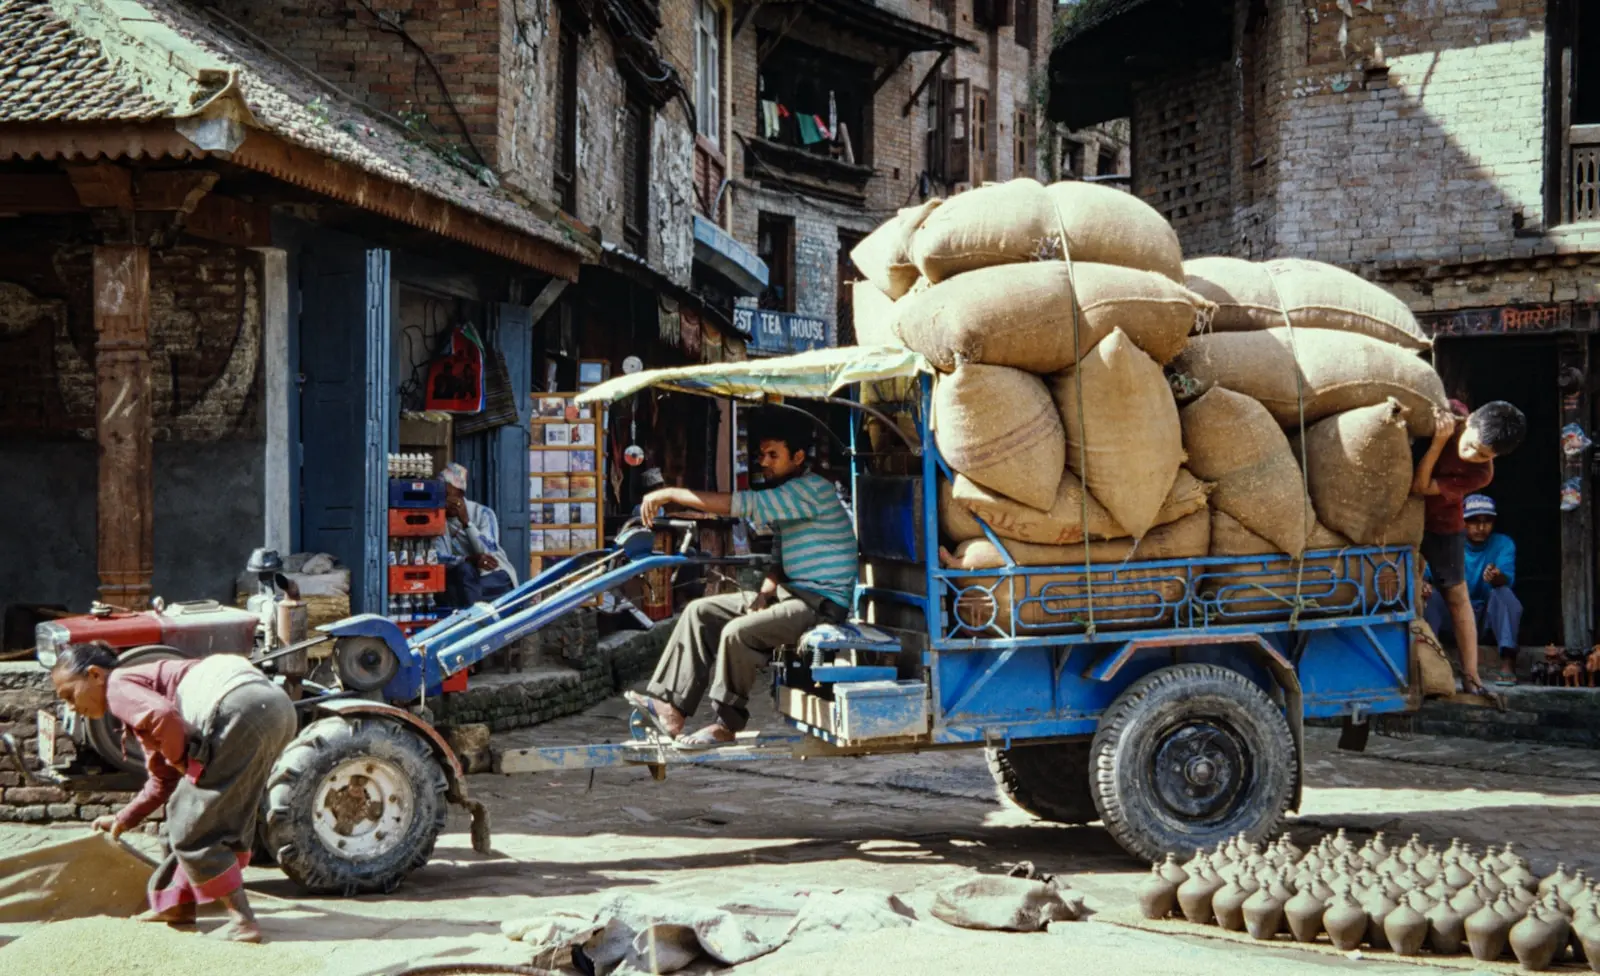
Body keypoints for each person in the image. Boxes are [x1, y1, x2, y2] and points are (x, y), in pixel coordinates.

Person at [624, 418, 857, 750]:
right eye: (762, 455)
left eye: (773, 455)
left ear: (799, 457)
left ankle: (725, 725)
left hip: (820, 603)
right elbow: (779, 556)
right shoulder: (785, 495)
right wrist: (764, 593)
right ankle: (669, 707)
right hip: (791, 596)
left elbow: (742, 504)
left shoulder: (810, 490)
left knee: (739, 633)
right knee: (699, 611)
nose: (764, 462)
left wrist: (672, 493)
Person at [48, 642, 297, 943]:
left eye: (70, 695)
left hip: (239, 709)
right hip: (276, 709)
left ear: (95, 675)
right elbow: (161, 780)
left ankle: (243, 922)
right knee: (205, 815)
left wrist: (182, 762)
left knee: (192, 825)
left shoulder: (117, 686)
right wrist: (124, 818)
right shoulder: (142, 689)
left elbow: (163, 716)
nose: (73, 708)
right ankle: (176, 906)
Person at [1413, 399, 1526, 695]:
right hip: (1403, 516)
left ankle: (1472, 675)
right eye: (1472, 445)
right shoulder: (1452, 410)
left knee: (1456, 597)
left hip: (1442, 525)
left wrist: (1438, 443)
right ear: (1470, 420)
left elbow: (1421, 487)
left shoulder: (1481, 474)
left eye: (1483, 455)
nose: (1471, 455)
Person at [1423, 494, 1523, 683]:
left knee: (1505, 595)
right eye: (1473, 521)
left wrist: (1496, 577)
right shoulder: (1448, 545)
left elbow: (1505, 580)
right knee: (1431, 597)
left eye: (1486, 522)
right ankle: (1431, 660)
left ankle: (1508, 662)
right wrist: (1424, 584)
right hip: (1453, 617)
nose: (1480, 527)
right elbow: (1425, 574)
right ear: (1462, 522)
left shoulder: (1503, 544)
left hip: (1485, 619)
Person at [436, 462, 518, 604]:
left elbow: (488, 550)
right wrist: (467, 560)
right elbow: (440, 558)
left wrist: (467, 523)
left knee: (465, 588)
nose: (444, 500)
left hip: (493, 575)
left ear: (460, 494)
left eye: (447, 494)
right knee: (463, 573)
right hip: (462, 576)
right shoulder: (437, 518)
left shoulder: (483, 513)